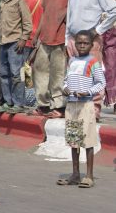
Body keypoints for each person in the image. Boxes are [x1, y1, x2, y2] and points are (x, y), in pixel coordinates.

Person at [66, 0, 116, 120]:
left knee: (93, 75)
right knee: (75, 75)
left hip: (91, 41)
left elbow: (114, 9)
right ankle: (78, 109)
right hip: (74, 39)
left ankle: (94, 111)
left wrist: (98, 30)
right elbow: (70, 14)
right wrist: (67, 39)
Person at [56, 30, 105, 188]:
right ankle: (75, 174)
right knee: (73, 140)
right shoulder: (72, 60)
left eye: (85, 43)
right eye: (79, 43)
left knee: (88, 140)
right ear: (74, 44)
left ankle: (89, 176)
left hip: (86, 105)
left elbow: (101, 83)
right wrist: (65, 87)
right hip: (71, 105)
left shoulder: (93, 62)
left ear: (91, 45)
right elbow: (66, 79)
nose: (82, 45)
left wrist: (88, 91)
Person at [31, 0, 75, 117]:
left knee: (58, 73)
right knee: (39, 71)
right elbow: (45, 12)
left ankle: (59, 107)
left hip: (61, 37)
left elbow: (70, 13)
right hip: (45, 37)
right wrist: (37, 34)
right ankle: (43, 104)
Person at [0, 0, 33, 114]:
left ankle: (19, 103)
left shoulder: (19, 1)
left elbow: (27, 22)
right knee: (4, 73)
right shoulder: (3, 1)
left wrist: (23, 39)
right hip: (3, 41)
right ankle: (8, 102)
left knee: (16, 74)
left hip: (15, 42)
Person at [22, 0, 43, 107]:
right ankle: (37, 95)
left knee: (26, 68)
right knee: (36, 68)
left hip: (26, 37)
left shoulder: (24, 0)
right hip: (38, 37)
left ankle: (29, 97)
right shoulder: (42, 1)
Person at [102, 0, 116, 114]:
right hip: (109, 50)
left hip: (109, 51)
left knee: (111, 74)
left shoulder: (107, 14)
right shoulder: (107, 15)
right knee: (111, 75)